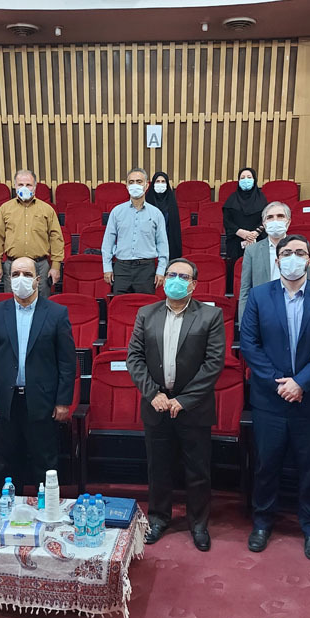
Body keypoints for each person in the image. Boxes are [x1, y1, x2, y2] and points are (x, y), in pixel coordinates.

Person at [240, 235, 310, 559]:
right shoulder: (259, 296)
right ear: (277, 260)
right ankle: (262, 523)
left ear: (309, 260)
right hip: (270, 400)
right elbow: (250, 344)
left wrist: (300, 383)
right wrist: (280, 384)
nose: (293, 257)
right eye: (287, 253)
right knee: (266, 465)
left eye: (300, 252)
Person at [126, 258, 226, 551]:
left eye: (183, 276)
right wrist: (153, 394)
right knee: (158, 468)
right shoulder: (146, 314)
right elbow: (135, 358)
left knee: (198, 470)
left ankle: (198, 524)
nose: (176, 280)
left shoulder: (210, 316)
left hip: (194, 407)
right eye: (171, 275)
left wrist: (183, 400)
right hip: (156, 405)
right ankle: (158, 518)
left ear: (193, 284)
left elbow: (213, 363)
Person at [0, 257, 77, 491]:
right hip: (5, 401)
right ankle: (9, 507)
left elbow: (66, 362)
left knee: (45, 461)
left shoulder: (56, 313)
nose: (20, 279)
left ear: (37, 279)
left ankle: (47, 507)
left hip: (42, 400)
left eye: (26, 274)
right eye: (15, 274)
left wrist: (63, 401)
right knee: (6, 462)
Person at [0, 169, 65, 298]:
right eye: (20, 184)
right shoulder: (5, 209)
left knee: (42, 304)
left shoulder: (47, 209)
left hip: (40, 266)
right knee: (13, 303)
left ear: (35, 187)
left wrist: (56, 266)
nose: (24, 188)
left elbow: (56, 238)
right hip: (13, 266)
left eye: (28, 185)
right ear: (15, 186)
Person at [238, 201, 310, 324]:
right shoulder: (252, 250)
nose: (275, 221)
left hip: (295, 311)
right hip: (263, 312)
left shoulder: (302, 248)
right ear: (264, 223)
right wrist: (244, 324)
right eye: (270, 217)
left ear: (288, 221)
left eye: (280, 216)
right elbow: (245, 290)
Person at [102, 167, 169, 295]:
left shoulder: (156, 214)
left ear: (146, 186)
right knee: (120, 304)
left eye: (139, 182)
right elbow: (108, 242)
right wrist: (107, 267)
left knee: (145, 305)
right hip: (121, 268)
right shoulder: (117, 212)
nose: (135, 185)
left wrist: (161, 270)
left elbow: (162, 244)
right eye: (131, 182)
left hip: (146, 269)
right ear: (127, 186)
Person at [222, 167, 267, 261]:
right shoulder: (232, 199)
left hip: (258, 240)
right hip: (236, 241)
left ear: (254, 180)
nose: (246, 180)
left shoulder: (262, 199)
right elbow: (227, 221)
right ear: (238, 181)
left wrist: (255, 233)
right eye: (242, 178)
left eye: (249, 177)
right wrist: (240, 232)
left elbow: (265, 219)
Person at [146, 172, 183, 259]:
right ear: (153, 184)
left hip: (168, 241)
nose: (160, 184)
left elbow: (175, 228)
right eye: (157, 181)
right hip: (149, 243)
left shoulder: (172, 203)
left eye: (163, 182)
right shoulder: (147, 201)